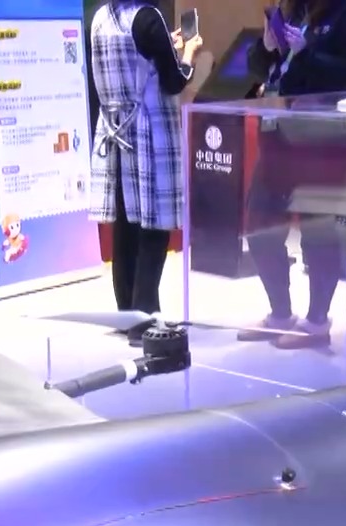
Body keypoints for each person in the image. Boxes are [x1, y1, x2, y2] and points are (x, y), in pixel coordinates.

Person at [237, 0, 346, 348]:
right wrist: (266, 47)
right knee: (259, 223)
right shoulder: (292, 9)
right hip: (277, 134)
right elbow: (258, 68)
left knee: (317, 231)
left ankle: (316, 322)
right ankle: (280, 314)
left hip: (323, 138)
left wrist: (307, 52)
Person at [88, 0, 201, 337]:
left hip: (114, 129)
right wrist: (189, 52)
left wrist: (167, 44)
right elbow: (174, 81)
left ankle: (127, 314)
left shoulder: (100, 17)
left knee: (126, 227)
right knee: (154, 227)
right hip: (148, 131)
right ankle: (145, 320)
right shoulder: (148, 18)